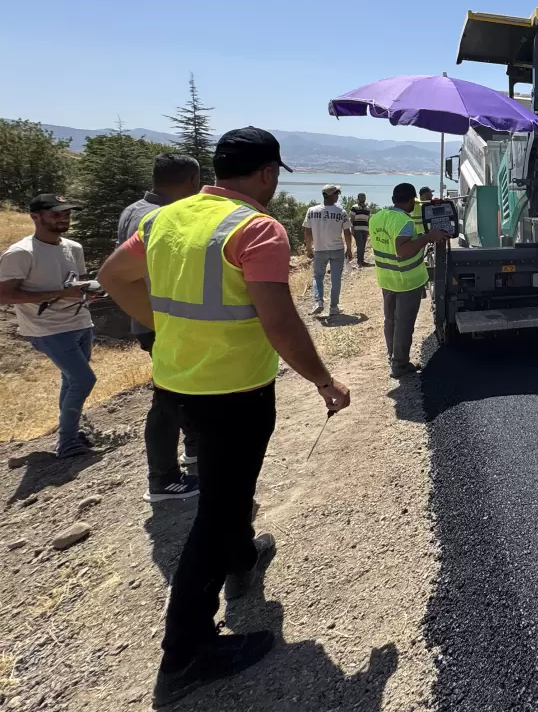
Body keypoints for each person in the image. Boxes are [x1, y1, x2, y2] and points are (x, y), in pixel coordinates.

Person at [99, 127, 351, 707]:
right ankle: (184, 654)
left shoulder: (165, 218)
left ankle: (242, 561)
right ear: (267, 174)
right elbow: (280, 320)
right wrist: (323, 379)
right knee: (216, 511)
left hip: (181, 382)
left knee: (224, 488)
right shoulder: (257, 228)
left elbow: (114, 277)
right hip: (235, 389)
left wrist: (164, 328)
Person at [117, 153, 203, 502]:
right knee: (168, 398)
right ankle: (163, 478)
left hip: (151, 317)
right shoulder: (160, 217)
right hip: (162, 319)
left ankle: (194, 450)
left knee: (181, 390)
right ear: (189, 182)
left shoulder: (133, 210)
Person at [0, 194, 99, 458]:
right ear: (35, 216)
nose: (64, 218)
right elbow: (5, 296)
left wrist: (90, 292)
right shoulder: (21, 252)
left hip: (79, 321)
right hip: (46, 329)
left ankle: (71, 433)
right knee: (83, 379)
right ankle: (67, 442)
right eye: (56, 213)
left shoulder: (73, 247)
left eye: (67, 213)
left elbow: (78, 285)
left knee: (71, 381)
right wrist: (59, 294)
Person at [370, 183, 449, 378]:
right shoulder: (404, 221)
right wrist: (428, 237)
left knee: (391, 321)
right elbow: (403, 250)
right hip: (406, 281)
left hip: (387, 279)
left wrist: (422, 237)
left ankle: (393, 357)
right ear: (411, 201)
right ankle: (400, 365)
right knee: (404, 323)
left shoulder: (377, 217)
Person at [302, 184, 353, 316]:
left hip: (319, 249)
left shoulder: (311, 211)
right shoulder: (341, 212)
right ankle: (333, 307)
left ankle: (318, 301)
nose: (338, 196)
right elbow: (347, 232)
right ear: (331, 195)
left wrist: (308, 248)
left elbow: (307, 232)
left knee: (318, 276)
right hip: (337, 250)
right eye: (336, 193)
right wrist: (349, 249)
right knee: (336, 279)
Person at [349, 193, 371, 266]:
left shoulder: (368, 208)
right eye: (361, 197)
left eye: (363, 197)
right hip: (357, 229)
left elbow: (368, 220)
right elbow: (351, 219)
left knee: (363, 245)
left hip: (365, 229)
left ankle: (362, 260)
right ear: (358, 198)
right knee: (360, 245)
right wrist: (352, 229)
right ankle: (359, 261)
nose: (362, 198)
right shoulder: (354, 207)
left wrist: (369, 230)